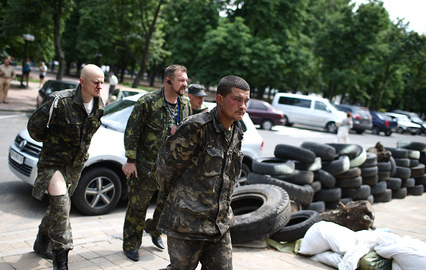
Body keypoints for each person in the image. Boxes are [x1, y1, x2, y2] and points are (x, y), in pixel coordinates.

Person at [156, 75, 250, 270]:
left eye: (246, 101)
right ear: (220, 99)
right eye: (237, 99)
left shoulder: (237, 130)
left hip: (219, 225)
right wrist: (179, 201)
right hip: (187, 224)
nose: (243, 106)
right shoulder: (197, 127)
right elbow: (167, 167)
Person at [29, 64, 105, 270]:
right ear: (82, 82)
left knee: (58, 206)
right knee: (63, 209)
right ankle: (60, 263)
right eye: (95, 82)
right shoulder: (60, 101)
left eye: (102, 82)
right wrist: (53, 145)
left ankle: (41, 241)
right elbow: (34, 128)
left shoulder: (100, 105)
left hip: (75, 166)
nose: (100, 86)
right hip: (53, 163)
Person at [121, 64, 191, 262]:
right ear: (168, 80)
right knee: (137, 207)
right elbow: (132, 132)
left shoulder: (185, 104)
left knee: (167, 206)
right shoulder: (148, 102)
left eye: (186, 80)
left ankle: (153, 229)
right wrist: (130, 160)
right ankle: (131, 245)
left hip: (172, 169)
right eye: (181, 80)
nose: (185, 84)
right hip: (146, 167)